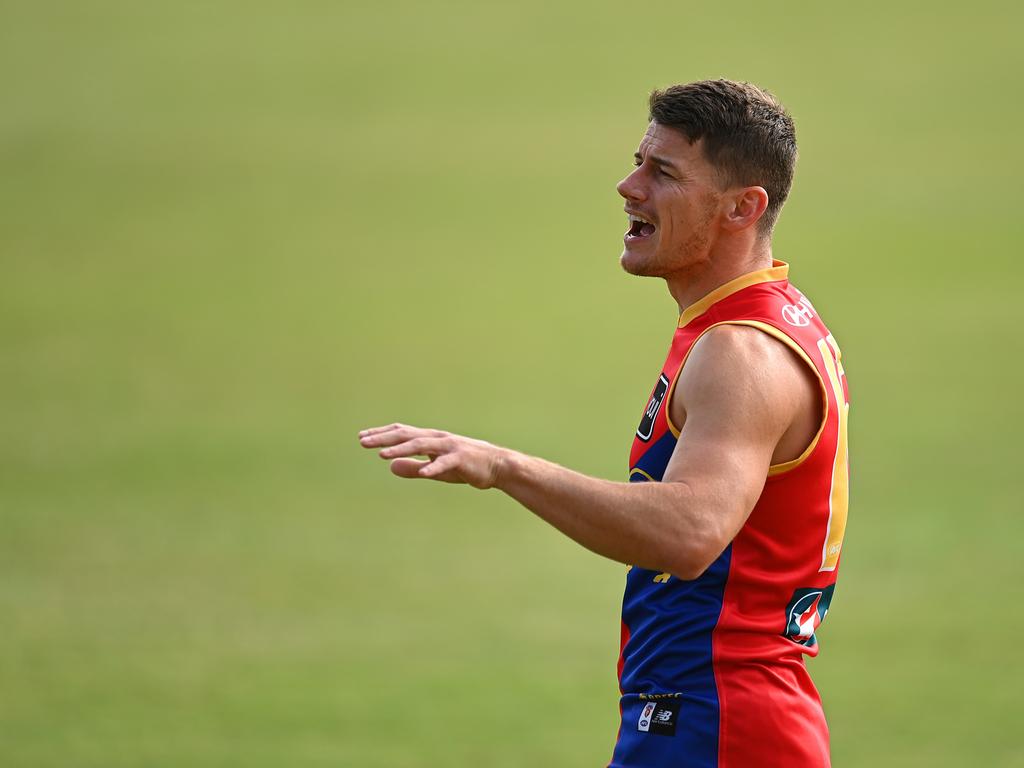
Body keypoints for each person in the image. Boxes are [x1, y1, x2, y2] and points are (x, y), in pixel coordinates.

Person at [359, 79, 850, 768]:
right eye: (639, 162)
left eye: (664, 173)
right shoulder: (757, 321)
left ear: (744, 207)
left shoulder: (741, 352)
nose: (629, 186)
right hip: (707, 714)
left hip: (720, 722)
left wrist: (506, 468)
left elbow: (690, 533)